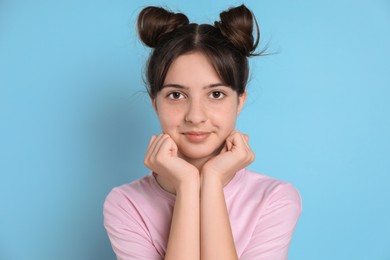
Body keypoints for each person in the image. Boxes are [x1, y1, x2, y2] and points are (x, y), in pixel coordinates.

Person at [104, 4, 302, 260]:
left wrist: (212, 179)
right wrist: (187, 185)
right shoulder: (126, 204)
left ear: (239, 102)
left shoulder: (274, 199)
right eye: (176, 95)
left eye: (216, 94)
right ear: (155, 103)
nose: (195, 116)